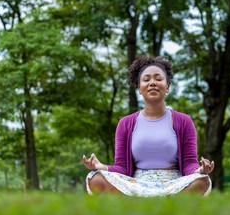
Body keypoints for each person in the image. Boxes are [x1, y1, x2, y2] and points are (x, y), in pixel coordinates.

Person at [82, 55, 214, 197]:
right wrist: (100, 167)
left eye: (158, 79)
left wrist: (200, 170)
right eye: (146, 79)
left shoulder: (183, 121)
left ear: (167, 86)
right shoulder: (126, 123)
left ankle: (143, 207)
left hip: (173, 185)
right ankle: (157, 207)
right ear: (139, 87)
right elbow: (122, 167)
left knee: (202, 180)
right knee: (95, 177)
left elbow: (189, 164)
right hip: (135, 185)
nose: (152, 83)